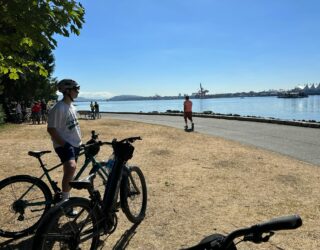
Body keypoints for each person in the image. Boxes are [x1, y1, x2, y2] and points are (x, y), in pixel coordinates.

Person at [47, 79, 81, 210]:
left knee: (70, 173)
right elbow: (51, 129)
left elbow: (72, 127)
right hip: (64, 145)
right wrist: (66, 145)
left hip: (74, 144)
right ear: (67, 91)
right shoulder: (58, 108)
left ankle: (64, 197)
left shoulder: (71, 107)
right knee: (71, 167)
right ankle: (65, 203)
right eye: (75, 89)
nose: (77, 91)